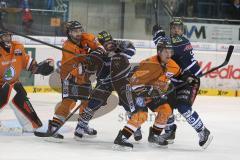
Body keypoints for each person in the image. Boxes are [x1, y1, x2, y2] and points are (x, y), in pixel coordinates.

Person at [152, 18, 213, 149]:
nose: (176, 30)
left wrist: (157, 35)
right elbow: (163, 48)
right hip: (175, 80)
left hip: (190, 80)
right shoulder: (169, 41)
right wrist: (159, 36)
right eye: (173, 27)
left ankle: (203, 131)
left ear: (182, 30)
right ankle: (169, 132)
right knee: (165, 106)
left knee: (183, 108)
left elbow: (166, 47)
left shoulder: (183, 42)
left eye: (178, 28)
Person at [113, 37, 181, 150]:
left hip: (152, 93)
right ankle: (122, 138)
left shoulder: (173, 65)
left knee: (166, 109)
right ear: (159, 52)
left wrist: (189, 78)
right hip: (134, 91)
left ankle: (154, 135)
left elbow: (179, 75)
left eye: (171, 51)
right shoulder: (149, 64)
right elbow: (133, 82)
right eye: (165, 51)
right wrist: (148, 92)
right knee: (142, 115)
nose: (169, 55)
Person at [44, 21, 104, 140]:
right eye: (75, 31)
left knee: (88, 102)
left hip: (83, 76)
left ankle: (82, 125)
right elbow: (78, 67)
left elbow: (100, 47)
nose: (79, 33)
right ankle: (53, 127)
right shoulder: (68, 47)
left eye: (80, 30)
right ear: (69, 33)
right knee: (68, 102)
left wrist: (97, 52)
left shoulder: (87, 37)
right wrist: (90, 60)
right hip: (69, 76)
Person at [73, 31, 137, 140]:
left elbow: (132, 50)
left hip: (121, 80)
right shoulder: (98, 52)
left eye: (110, 42)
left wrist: (120, 50)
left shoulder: (119, 45)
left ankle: (135, 127)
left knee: (129, 103)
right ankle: (81, 125)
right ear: (101, 44)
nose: (109, 45)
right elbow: (91, 64)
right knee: (94, 102)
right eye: (106, 43)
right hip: (104, 81)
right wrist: (90, 59)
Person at [0, 30, 54, 133]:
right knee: (8, 88)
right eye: (4, 37)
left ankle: (28, 123)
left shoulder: (17, 48)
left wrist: (42, 67)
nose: (8, 39)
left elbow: (31, 66)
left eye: (9, 36)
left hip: (12, 86)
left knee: (33, 126)